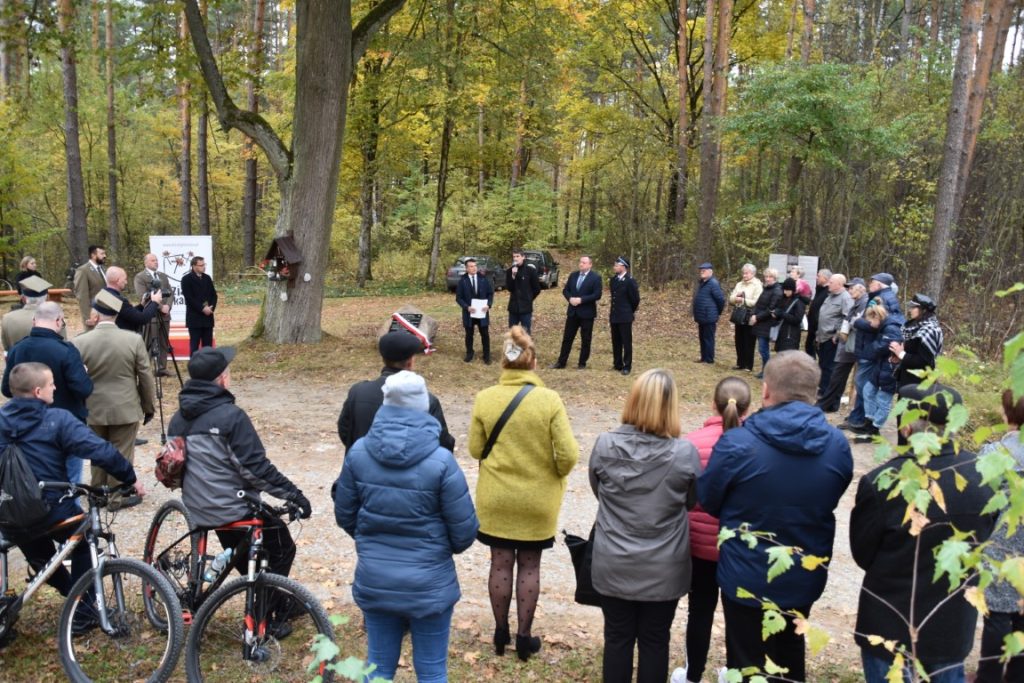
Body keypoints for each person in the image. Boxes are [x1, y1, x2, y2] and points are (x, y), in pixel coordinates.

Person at [698, 351, 853, 681]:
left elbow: (709, 500)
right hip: (801, 574)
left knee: (747, 660)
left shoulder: (737, 443)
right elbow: (833, 494)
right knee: (789, 656)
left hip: (745, 574)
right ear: (815, 391)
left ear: (765, 391)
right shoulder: (837, 445)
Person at [333, 371, 479, 683]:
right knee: (432, 671)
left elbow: (345, 514)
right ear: (424, 406)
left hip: (376, 578)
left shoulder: (358, 452)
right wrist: (437, 549)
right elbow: (464, 531)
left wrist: (370, 540)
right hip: (430, 584)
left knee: (378, 668)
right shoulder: (442, 461)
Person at [851, 383, 994, 682]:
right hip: (951, 628)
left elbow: (863, 553)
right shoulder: (984, 476)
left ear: (905, 428)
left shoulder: (882, 481)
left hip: (888, 627)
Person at [469, 326, 578, 661]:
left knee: (500, 563)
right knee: (530, 565)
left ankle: (500, 634)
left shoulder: (486, 398)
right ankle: (524, 638)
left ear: (503, 363)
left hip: (497, 498)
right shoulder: (549, 401)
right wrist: (552, 475)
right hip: (537, 502)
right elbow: (568, 455)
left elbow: (475, 449)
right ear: (533, 364)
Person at [589, 368, 702, 683]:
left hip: (614, 559)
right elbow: (691, 501)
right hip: (664, 565)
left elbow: (598, 491)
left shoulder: (605, 445)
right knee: (655, 640)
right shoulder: (684, 454)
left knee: (617, 638)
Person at [0, 362, 143, 609]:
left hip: (9, 513)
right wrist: (130, 478)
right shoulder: (57, 419)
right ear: (37, 392)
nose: (55, 387)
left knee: (39, 553)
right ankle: (82, 611)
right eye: (50, 383)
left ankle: (71, 598)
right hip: (51, 508)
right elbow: (100, 450)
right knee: (85, 541)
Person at [168, 346, 312, 591]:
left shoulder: (177, 419)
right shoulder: (231, 417)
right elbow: (255, 470)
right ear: (223, 378)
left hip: (198, 505)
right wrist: (294, 495)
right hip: (232, 507)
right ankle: (271, 608)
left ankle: (262, 591)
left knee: (242, 545)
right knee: (282, 545)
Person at [684, 377, 752, 683]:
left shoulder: (691, 443)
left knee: (699, 612)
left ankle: (693, 675)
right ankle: (735, 673)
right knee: (739, 617)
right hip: (739, 547)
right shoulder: (757, 446)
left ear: (713, 404)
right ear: (748, 410)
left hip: (699, 546)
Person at [71, 290, 155, 496]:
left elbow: (73, 379)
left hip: (93, 407)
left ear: (97, 314)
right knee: (122, 452)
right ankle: (116, 495)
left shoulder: (79, 342)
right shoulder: (133, 340)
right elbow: (145, 376)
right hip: (125, 405)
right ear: (117, 315)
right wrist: (148, 406)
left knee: (96, 451)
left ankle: (98, 492)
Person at [337, 331, 455, 453]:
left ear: (383, 359)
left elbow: (345, 431)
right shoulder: (426, 400)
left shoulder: (357, 392)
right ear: (410, 362)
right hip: (411, 470)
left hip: (362, 468)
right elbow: (443, 444)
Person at [976, 389, 1024, 682]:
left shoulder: (994, 454)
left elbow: (980, 502)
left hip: (1000, 545)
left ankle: (988, 676)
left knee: (996, 615)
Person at [1, 302, 92, 425]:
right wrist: (83, 373)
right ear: (58, 321)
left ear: (34, 321)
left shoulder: (17, 349)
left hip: (27, 422)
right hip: (64, 425)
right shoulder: (66, 350)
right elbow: (84, 389)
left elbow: (7, 389)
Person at [852, 303, 903, 443]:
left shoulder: (891, 328)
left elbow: (882, 347)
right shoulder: (885, 327)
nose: (869, 323)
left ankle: (874, 430)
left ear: (877, 317)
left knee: (883, 400)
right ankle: (869, 422)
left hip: (891, 369)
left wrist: (868, 349)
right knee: (868, 390)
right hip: (882, 366)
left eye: (870, 320)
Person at [817, 278, 867, 413]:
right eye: (848, 288)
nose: (849, 290)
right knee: (838, 375)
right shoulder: (856, 302)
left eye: (851, 288)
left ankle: (828, 404)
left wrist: (839, 331)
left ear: (860, 288)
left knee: (839, 374)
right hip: (846, 343)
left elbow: (855, 321)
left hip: (853, 344)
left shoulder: (864, 303)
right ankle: (829, 404)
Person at [550, 255, 602, 370]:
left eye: (584, 262)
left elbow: (597, 295)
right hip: (572, 312)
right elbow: (565, 290)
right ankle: (561, 362)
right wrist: (570, 299)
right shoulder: (573, 275)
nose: (581, 264)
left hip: (587, 314)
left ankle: (582, 363)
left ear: (590, 264)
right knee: (567, 338)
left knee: (586, 339)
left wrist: (581, 300)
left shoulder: (596, 278)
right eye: (580, 262)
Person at [133, 253, 174, 376]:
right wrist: (160, 307)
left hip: (165, 316)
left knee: (163, 343)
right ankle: (145, 370)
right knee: (150, 343)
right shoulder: (140, 277)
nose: (156, 262)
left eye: (156, 260)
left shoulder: (162, 276)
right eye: (152, 260)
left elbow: (170, 292)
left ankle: (162, 368)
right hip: (151, 315)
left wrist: (168, 306)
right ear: (146, 263)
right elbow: (143, 296)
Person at [889, 293, 943, 388]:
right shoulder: (914, 326)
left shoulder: (930, 330)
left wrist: (901, 354)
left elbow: (924, 361)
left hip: (919, 384)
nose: (910, 310)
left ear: (923, 310)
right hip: (907, 379)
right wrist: (897, 356)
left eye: (913, 307)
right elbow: (911, 349)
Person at [2, 275, 66, 352]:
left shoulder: (7, 318)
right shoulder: (55, 318)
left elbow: (7, 348)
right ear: (47, 297)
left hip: (17, 362)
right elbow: (64, 347)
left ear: (24, 298)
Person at [814, 273, 853, 397]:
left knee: (829, 367)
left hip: (832, 339)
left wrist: (837, 335)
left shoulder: (845, 298)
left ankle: (826, 392)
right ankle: (822, 389)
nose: (828, 284)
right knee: (823, 365)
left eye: (831, 282)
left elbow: (847, 318)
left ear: (839, 284)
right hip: (822, 336)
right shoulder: (830, 296)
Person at [102, 266, 163, 334]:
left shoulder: (105, 295)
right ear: (118, 280)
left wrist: (141, 305)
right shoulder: (116, 299)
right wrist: (155, 302)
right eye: (125, 279)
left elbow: (128, 313)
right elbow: (142, 319)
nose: (126, 282)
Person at [455, 258, 493, 364]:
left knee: (485, 334)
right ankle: (469, 354)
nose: (474, 268)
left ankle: (487, 355)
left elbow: (490, 293)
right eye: (471, 266)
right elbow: (459, 298)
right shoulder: (462, 281)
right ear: (467, 269)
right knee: (469, 334)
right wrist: (466, 307)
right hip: (469, 313)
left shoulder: (483, 279)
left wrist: (488, 305)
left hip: (482, 312)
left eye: (475, 266)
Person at [608, 256, 640, 375]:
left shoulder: (630, 281)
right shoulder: (613, 280)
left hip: (625, 315)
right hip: (615, 315)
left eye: (616, 265)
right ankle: (617, 363)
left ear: (623, 266)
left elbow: (635, 299)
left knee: (626, 341)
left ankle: (627, 365)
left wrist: (629, 311)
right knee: (616, 340)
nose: (614, 267)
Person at [180, 256, 217, 354]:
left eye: (204, 264)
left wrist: (211, 307)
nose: (203, 267)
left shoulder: (207, 278)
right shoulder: (186, 279)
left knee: (208, 346)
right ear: (194, 266)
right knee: (194, 346)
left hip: (208, 317)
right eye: (201, 265)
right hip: (194, 318)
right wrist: (202, 308)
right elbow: (189, 298)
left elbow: (214, 295)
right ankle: (195, 367)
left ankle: (208, 366)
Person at [728, 264, 762, 372]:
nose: (744, 275)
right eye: (743, 273)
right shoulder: (739, 284)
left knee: (749, 340)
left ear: (752, 273)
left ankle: (748, 365)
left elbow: (757, 302)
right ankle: (740, 363)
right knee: (739, 339)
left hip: (749, 315)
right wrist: (736, 299)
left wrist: (743, 300)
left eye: (746, 273)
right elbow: (731, 298)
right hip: (739, 314)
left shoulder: (757, 285)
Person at [749, 268, 781, 378]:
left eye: (770, 277)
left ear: (775, 278)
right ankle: (765, 370)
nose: (767, 279)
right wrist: (753, 314)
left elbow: (770, 308)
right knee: (762, 349)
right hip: (760, 322)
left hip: (768, 323)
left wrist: (757, 317)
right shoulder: (766, 288)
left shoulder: (777, 291)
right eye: (766, 276)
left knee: (763, 349)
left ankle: (767, 371)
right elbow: (758, 304)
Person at [692, 262, 726, 364]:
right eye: (701, 270)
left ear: (710, 272)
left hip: (709, 316)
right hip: (702, 316)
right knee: (702, 338)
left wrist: (716, 312)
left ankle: (709, 359)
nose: (701, 272)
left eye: (704, 270)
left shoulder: (713, 283)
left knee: (708, 339)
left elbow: (721, 300)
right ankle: (703, 357)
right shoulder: (702, 283)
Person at [505, 248, 540, 334]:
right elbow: (509, 288)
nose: (515, 258)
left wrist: (529, 298)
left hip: (526, 308)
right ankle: (513, 347)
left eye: (518, 256)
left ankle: (526, 347)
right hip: (513, 307)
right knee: (512, 333)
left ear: (523, 257)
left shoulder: (530, 271)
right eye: (514, 256)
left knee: (526, 332)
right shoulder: (510, 271)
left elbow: (537, 289)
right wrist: (513, 276)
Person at [73, 245, 107, 330]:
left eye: (105, 253)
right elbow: (82, 296)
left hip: (106, 313)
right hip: (94, 314)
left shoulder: (103, 269)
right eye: (102, 253)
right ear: (93, 255)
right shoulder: (83, 270)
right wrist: (88, 317)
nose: (105, 256)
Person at [770, 277, 806, 353]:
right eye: (784, 289)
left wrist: (782, 314)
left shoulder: (799, 302)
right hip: (781, 333)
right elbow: (779, 312)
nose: (785, 292)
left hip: (791, 335)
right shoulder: (783, 299)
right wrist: (776, 315)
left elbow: (797, 319)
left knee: (788, 357)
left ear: (792, 290)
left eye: (787, 290)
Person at [805, 269, 831, 359]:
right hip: (812, 328)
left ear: (825, 278)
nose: (816, 278)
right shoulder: (820, 289)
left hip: (819, 329)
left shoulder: (828, 292)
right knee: (809, 350)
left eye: (818, 276)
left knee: (820, 354)